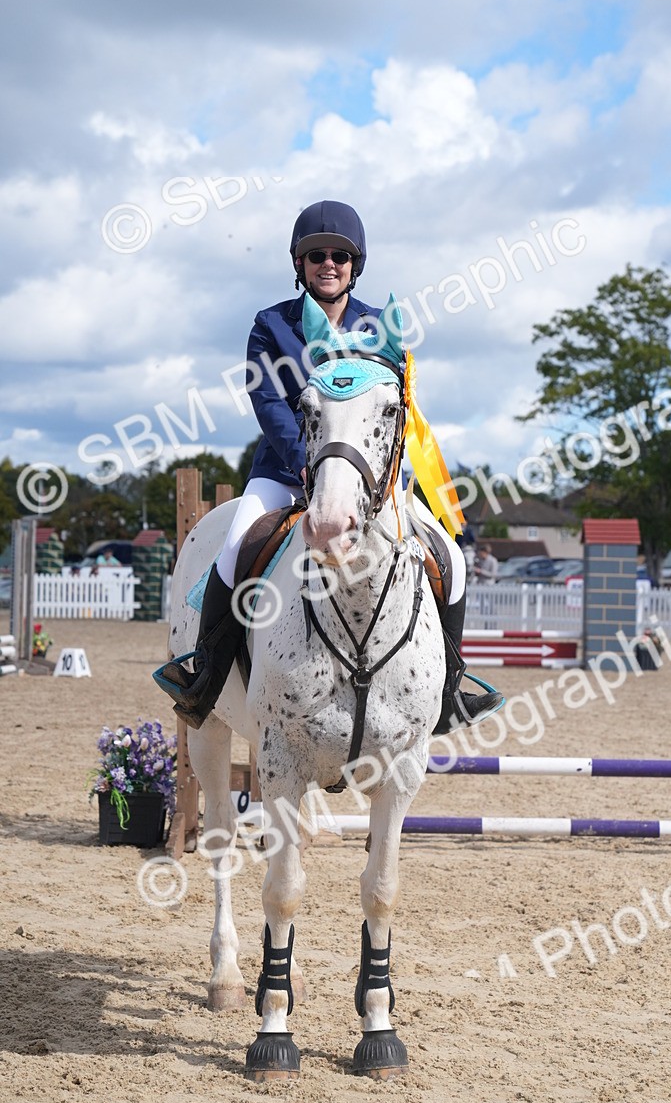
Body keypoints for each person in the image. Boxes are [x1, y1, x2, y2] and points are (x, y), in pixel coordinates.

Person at [160, 200, 503, 734]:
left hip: (368, 482)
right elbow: (270, 404)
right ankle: (205, 674)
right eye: (316, 255)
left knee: (452, 561)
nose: (328, 263)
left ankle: (450, 685)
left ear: (354, 263)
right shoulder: (271, 325)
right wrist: (308, 466)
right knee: (232, 552)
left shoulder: (378, 327)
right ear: (299, 264)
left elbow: (394, 408)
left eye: (339, 256)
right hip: (283, 472)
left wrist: (363, 474)